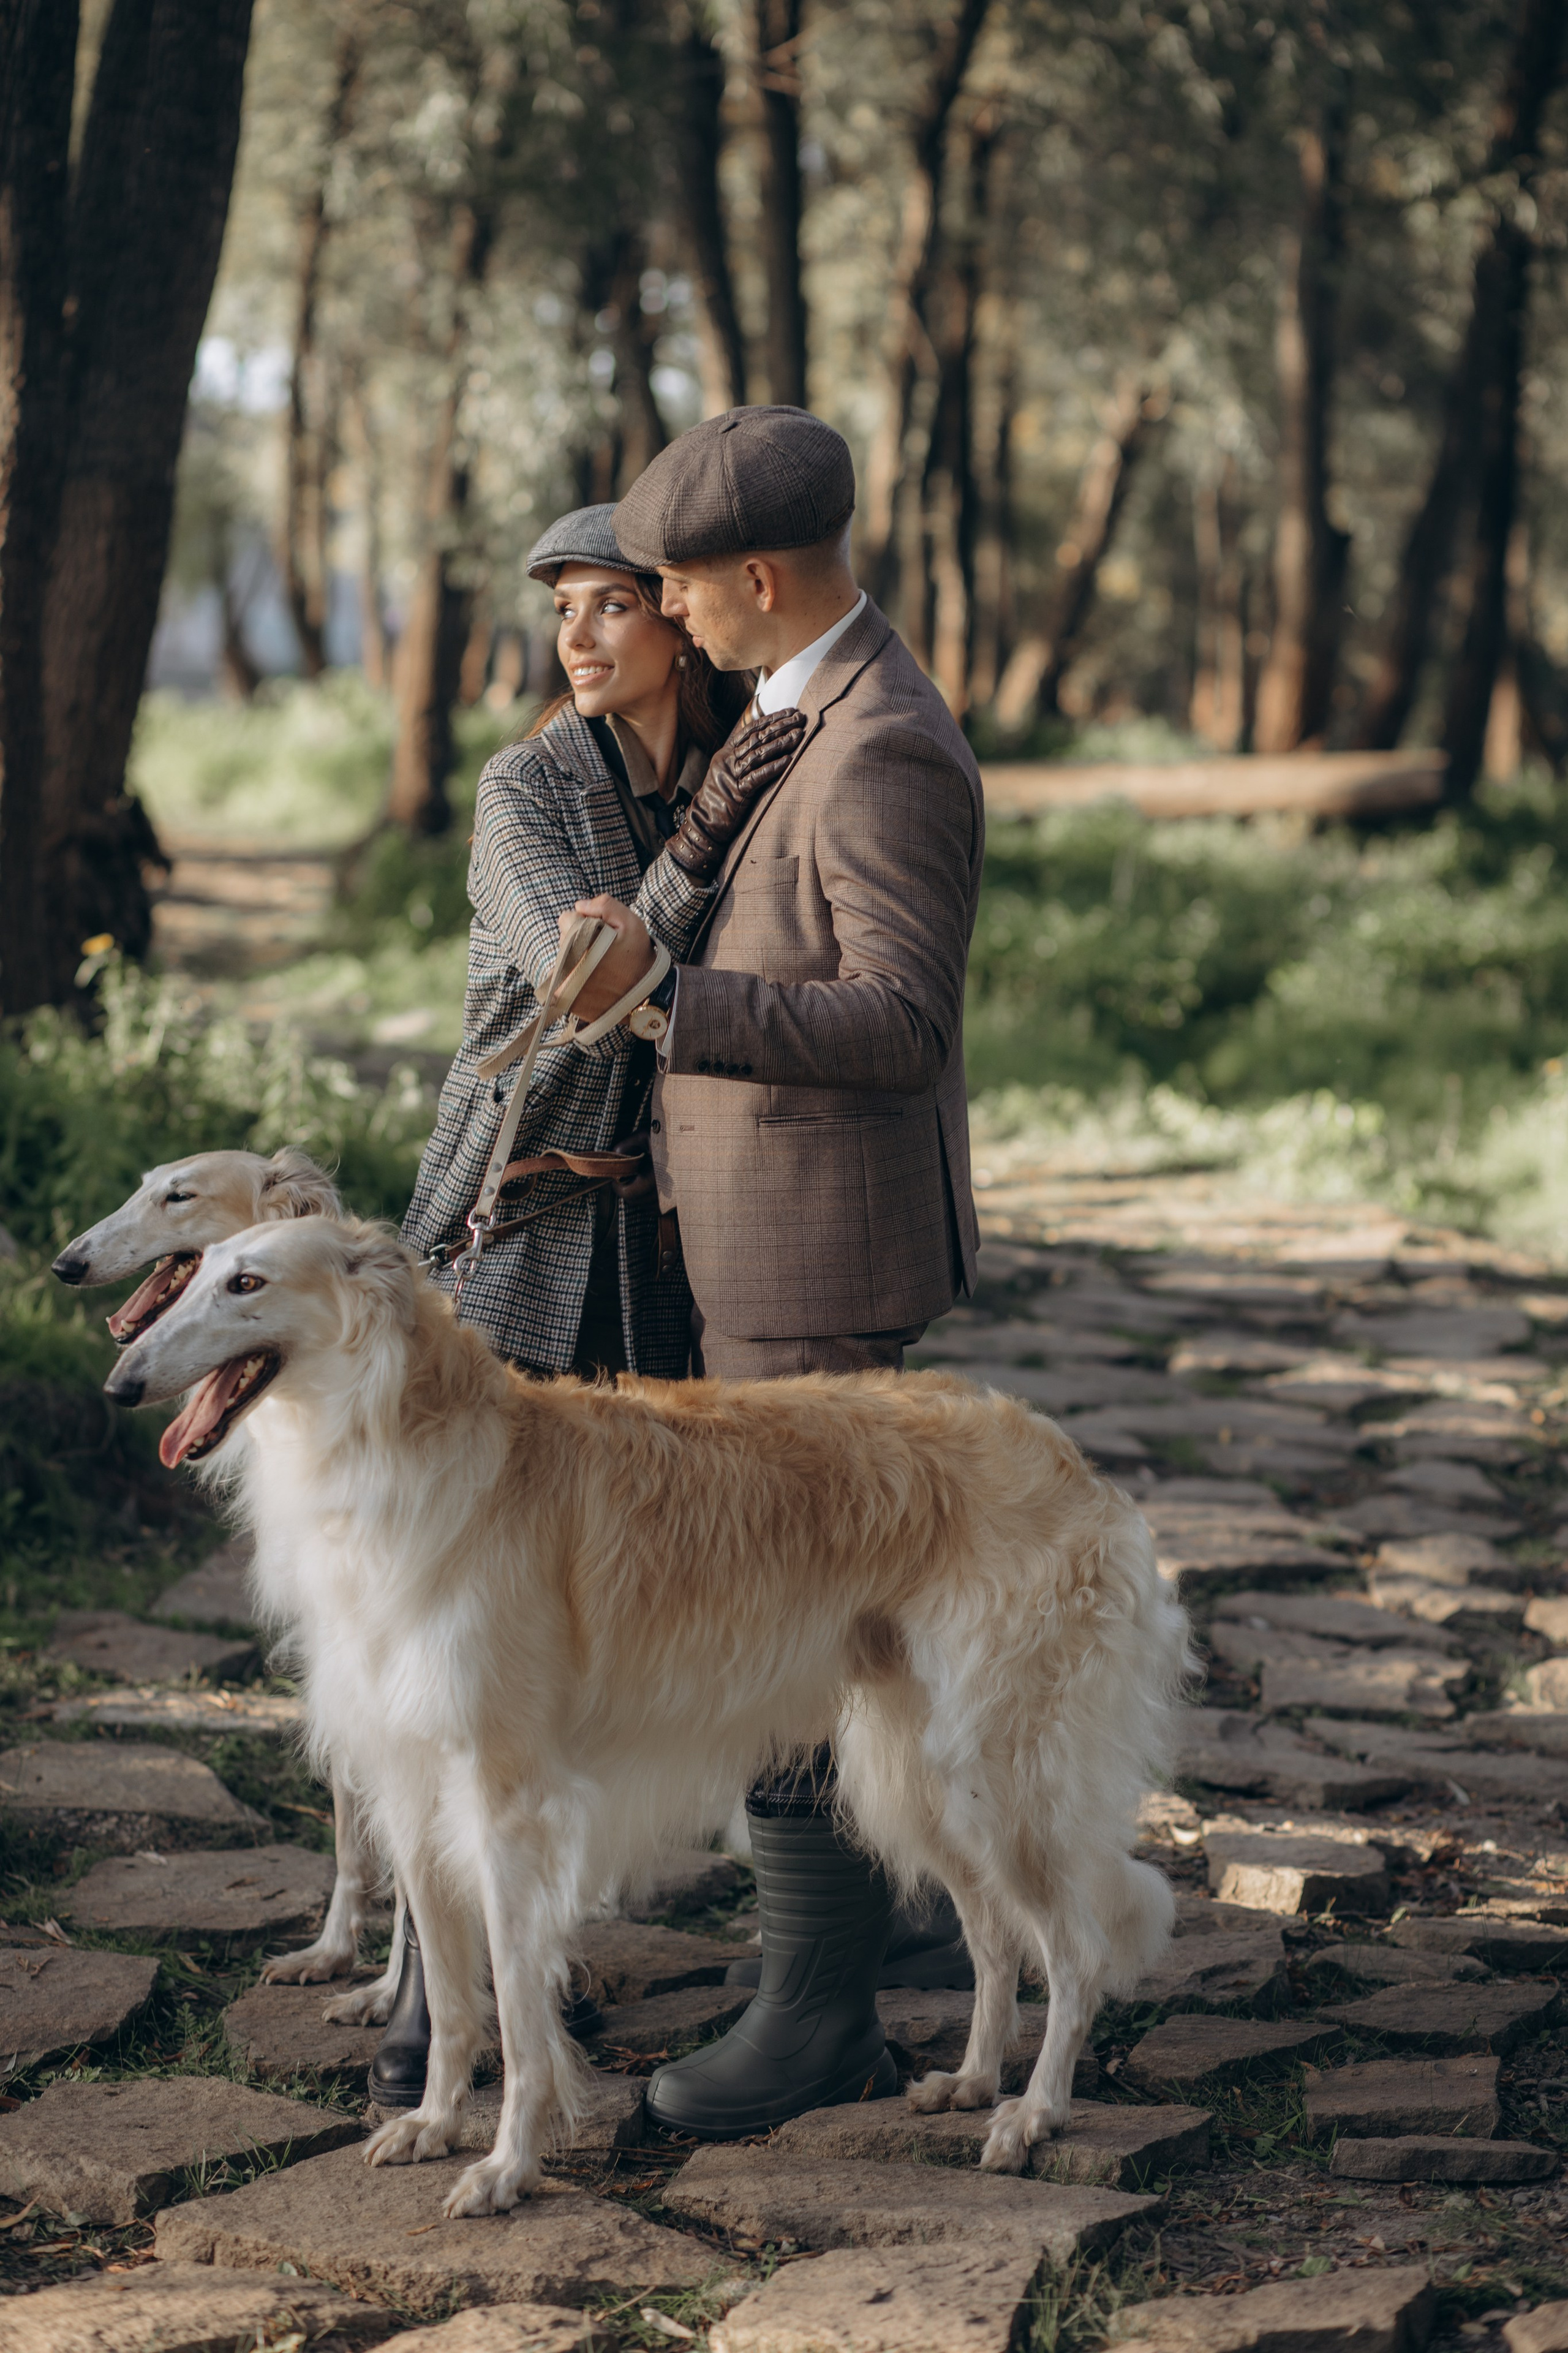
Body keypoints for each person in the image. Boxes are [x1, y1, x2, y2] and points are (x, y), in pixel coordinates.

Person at [562, 404, 985, 2138]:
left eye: (674, 581)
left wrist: (669, 1003)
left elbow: (901, 1023)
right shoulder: (793, 709)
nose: (662, 606)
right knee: (826, 1617)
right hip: (756, 1241)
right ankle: (890, 1924)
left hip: (819, 1262)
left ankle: (815, 2016)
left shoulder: (882, 744)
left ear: (755, 576)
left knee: (802, 1630)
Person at [372, 504, 805, 2109]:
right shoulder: (525, 789)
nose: (579, 632)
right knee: (461, 1629)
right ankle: (424, 1997)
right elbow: (585, 971)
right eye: (564, 605)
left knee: (626, 1604)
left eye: (616, 602)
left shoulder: (743, 765)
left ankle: (602, 1938)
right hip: (522, 1222)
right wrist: (703, 844)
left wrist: (721, 817)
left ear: (683, 617)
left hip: (674, 1234)